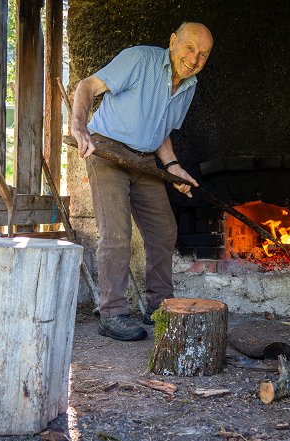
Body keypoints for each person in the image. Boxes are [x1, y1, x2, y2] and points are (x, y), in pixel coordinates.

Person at [71, 22, 214, 341]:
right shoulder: (139, 60)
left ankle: (159, 306)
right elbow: (87, 86)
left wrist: (173, 167)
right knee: (117, 234)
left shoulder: (189, 85)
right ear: (173, 41)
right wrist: (79, 127)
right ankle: (112, 313)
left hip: (145, 160)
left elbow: (161, 132)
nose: (194, 59)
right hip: (107, 151)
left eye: (203, 54)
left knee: (165, 229)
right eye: (190, 48)